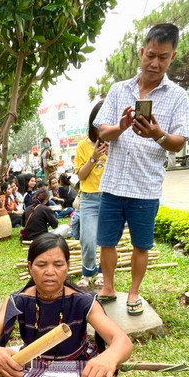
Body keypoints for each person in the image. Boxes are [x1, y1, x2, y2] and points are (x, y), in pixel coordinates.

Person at [94, 23, 189, 316]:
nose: (155, 62)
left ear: (172, 57)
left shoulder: (178, 96)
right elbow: (102, 132)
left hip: (146, 186)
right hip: (113, 184)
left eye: (163, 57)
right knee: (106, 241)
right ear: (142, 52)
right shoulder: (118, 89)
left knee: (141, 244)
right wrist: (121, 126)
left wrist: (157, 134)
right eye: (151, 55)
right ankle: (108, 287)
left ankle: (134, 292)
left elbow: (177, 143)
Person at [0, 233, 133, 377]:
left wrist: (108, 357)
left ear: (67, 266)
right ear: (30, 267)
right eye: (41, 265)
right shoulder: (19, 300)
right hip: (32, 366)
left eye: (58, 265)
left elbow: (122, 341)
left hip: (77, 366)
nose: (50, 272)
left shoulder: (83, 301)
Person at [73, 101, 109, 290]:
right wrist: (94, 157)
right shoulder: (82, 146)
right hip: (88, 198)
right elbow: (80, 175)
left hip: (109, 197)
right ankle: (87, 272)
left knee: (106, 239)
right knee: (87, 239)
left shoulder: (115, 144)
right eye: (100, 122)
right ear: (93, 123)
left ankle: (103, 272)